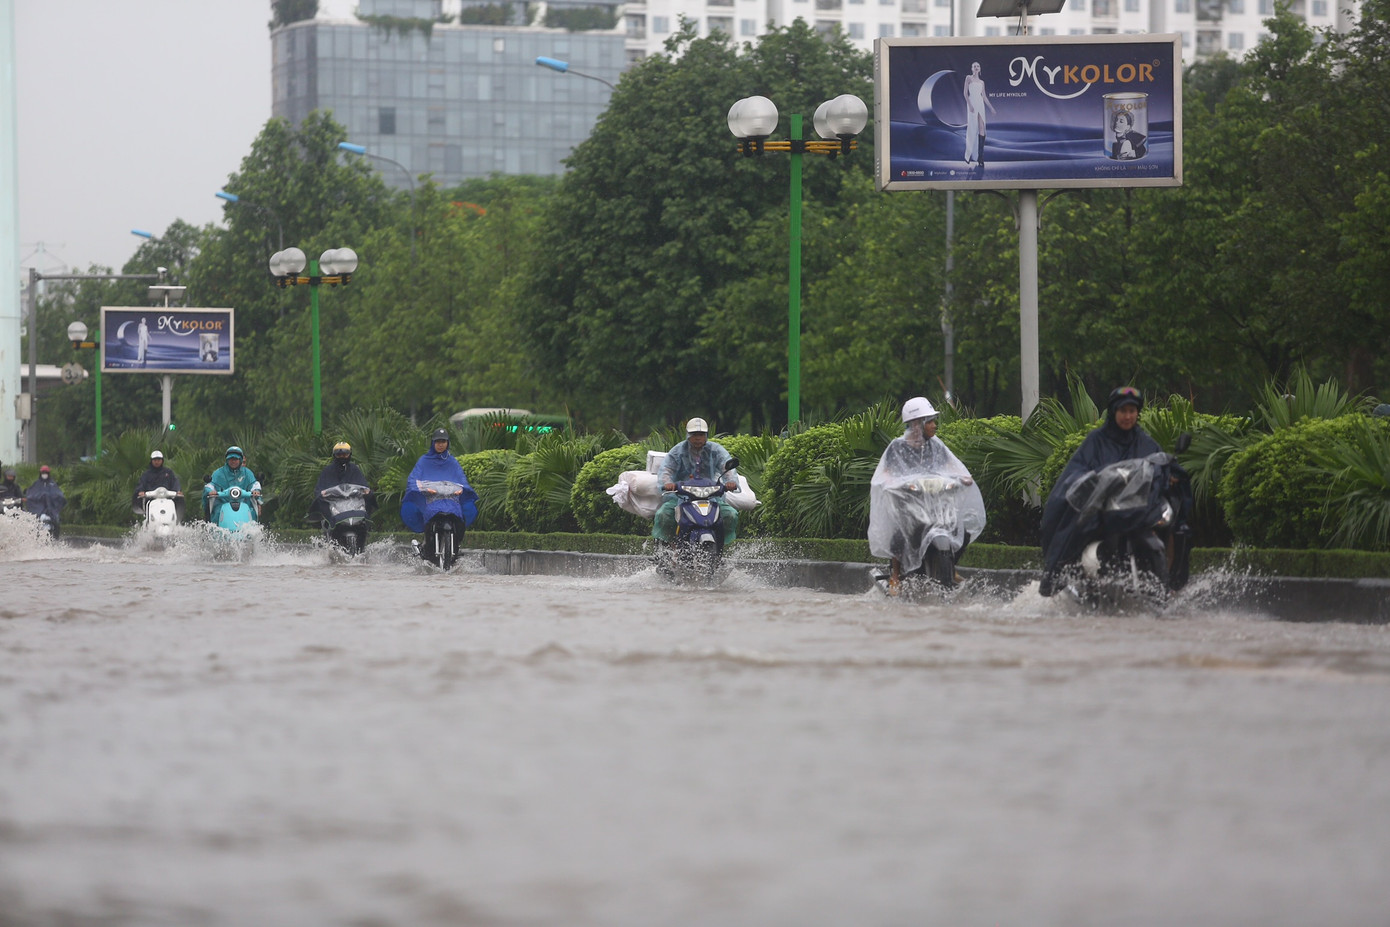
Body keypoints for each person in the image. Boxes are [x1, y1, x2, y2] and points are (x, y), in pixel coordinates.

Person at [1037, 386, 1162, 596]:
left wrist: (1170, 475)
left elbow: (1158, 465)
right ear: (1114, 412)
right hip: (1101, 508)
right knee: (1074, 525)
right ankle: (1057, 573)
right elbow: (1076, 470)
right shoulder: (1096, 440)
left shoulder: (1146, 442)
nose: (1128, 416)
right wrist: (1094, 479)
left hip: (1137, 509)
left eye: (1132, 411)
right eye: (1123, 411)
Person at [868, 397, 986, 594]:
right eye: (930, 421)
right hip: (908, 505)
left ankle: (951, 566)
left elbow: (952, 466)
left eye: (933, 421)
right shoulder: (897, 447)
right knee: (900, 533)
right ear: (916, 424)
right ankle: (895, 576)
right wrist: (891, 483)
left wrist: (963, 478)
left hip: (936, 505)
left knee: (962, 531)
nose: (934, 425)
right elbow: (885, 473)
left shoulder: (936, 446)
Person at [652, 417, 739, 547]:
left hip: (711, 497)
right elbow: (666, 470)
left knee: (730, 515)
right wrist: (668, 483)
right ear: (688, 435)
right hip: (681, 496)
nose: (698, 438)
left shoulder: (716, 450)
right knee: (663, 514)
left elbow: (726, 467)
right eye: (694, 435)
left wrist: (730, 482)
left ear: (706, 436)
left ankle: (720, 546)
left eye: (701, 435)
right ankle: (667, 546)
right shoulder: (677, 451)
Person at [401, 428, 478, 536]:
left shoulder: (452, 462)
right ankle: (427, 543)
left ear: (447, 443)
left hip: (451, 501)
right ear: (433, 443)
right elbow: (414, 479)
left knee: (461, 515)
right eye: (437, 441)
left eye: (443, 441)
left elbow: (461, 479)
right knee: (425, 515)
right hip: (430, 500)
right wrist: (423, 489)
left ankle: (457, 542)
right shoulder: (424, 461)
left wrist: (461, 489)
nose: (440, 444)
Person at [310, 442, 374, 522]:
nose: (342, 457)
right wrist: (321, 493)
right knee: (320, 502)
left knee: (370, 497)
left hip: (353, 501)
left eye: (344, 455)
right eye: (339, 455)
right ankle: (329, 524)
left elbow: (363, 485)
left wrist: (367, 491)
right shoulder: (328, 470)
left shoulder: (354, 469)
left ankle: (366, 524)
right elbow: (319, 489)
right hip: (333, 503)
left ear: (349, 454)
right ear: (334, 455)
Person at [207, 446, 261, 523]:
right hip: (223, 503)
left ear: (240, 460)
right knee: (217, 514)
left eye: (236, 459)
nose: (233, 461)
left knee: (252, 513)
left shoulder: (248, 473)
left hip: (244, 504)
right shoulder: (218, 473)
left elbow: (255, 485)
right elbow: (210, 485)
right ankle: (215, 532)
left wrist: (256, 491)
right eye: (231, 459)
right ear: (227, 460)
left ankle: (252, 533)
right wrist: (211, 491)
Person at [133, 450, 184, 521]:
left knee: (177, 502)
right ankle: (148, 524)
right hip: (151, 499)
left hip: (167, 498)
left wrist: (177, 490)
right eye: (155, 460)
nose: (157, 462)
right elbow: (141, 484)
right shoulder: (146, 474)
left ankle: (176, 522)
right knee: (148, 509)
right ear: (151, 461)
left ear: (162, 461)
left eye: (159, 460)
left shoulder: (168, 472)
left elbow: (175, 482)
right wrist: (141, 491)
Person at [963, 61, 997, 168]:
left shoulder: (982, 82)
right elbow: (965, 93)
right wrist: (970, 105)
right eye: (974, 66)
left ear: (980, 69)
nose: (976, 67)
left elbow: (984, 96)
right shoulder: (968, 78)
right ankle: (968, 155)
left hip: (980, 104)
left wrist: (991, 108)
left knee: (982, 128)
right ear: (972, 68)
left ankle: (980, 158)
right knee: (973, 129)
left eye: (978, 66)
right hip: (972, 103)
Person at [24, 465, 66, 539]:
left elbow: (58, 494)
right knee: (34, 522)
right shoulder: (36, 484)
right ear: (40, 473)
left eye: (46, 472)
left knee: (56, 521)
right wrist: (40, 496)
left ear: (49, 473)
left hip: (51, 509)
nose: (44, 474)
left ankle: (56, 538)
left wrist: (55, 498)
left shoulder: (52, 484)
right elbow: (31, 494)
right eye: (43, 472)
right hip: (38, 509)